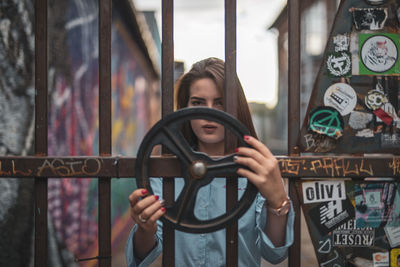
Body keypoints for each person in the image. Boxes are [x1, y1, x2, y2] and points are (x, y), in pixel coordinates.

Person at [126, 57, 294, 266]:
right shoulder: (165, 171)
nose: (210, 113)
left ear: (236, 107)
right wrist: (145, 228)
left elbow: (275, 254)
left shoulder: (257, 171)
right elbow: (142, 257)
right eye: (198, 103)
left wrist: (277, 202)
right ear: (186, 109)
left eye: (220, 102)